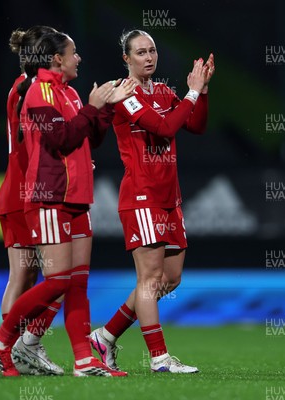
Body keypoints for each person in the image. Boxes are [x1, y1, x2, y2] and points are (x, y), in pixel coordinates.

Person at [0, 29, 136, 377]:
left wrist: (104, 110)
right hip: (49, 197)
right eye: (74, 52)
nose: (79, 58)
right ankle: (3, 339)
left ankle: (84, 360)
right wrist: (92, 108)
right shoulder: (38, 92)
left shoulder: (68, 92)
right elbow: (62, 138)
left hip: (77, 198)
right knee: (55, 282)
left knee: (77, 283)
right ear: (57, 59)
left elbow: (91, 138)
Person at [89, 29, 215, 373]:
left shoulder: (163, 91)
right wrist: (190, 92)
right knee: (149, 279)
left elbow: (196, 125)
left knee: (170, 280)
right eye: (141, 52)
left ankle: (105, 336)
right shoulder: (122, 93)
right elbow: (163, 128)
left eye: (153, 51)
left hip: (169, 199)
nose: (149, 57)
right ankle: (159, 358)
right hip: (141, 196)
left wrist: (200, 91)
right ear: (126, 59)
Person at [0, 25, 64, 376]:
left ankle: (18, 348)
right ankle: (7, 349)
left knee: (32, 275)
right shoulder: (29, 89)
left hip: (23, 190)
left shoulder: (25, 87)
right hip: (24, 191)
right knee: (27, 275)